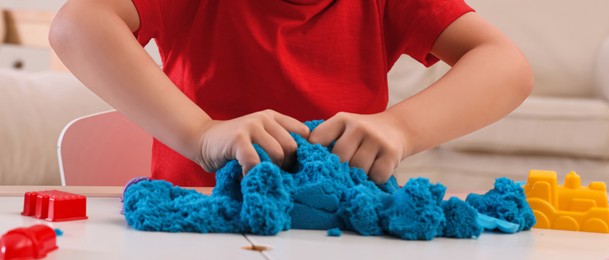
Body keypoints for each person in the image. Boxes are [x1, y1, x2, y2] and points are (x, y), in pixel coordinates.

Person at [49, 0, 533, 187]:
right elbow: (76, 25)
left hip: (338, 230)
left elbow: (507, 65)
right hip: (201, 223)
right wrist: (201, 135)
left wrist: (401, 127)